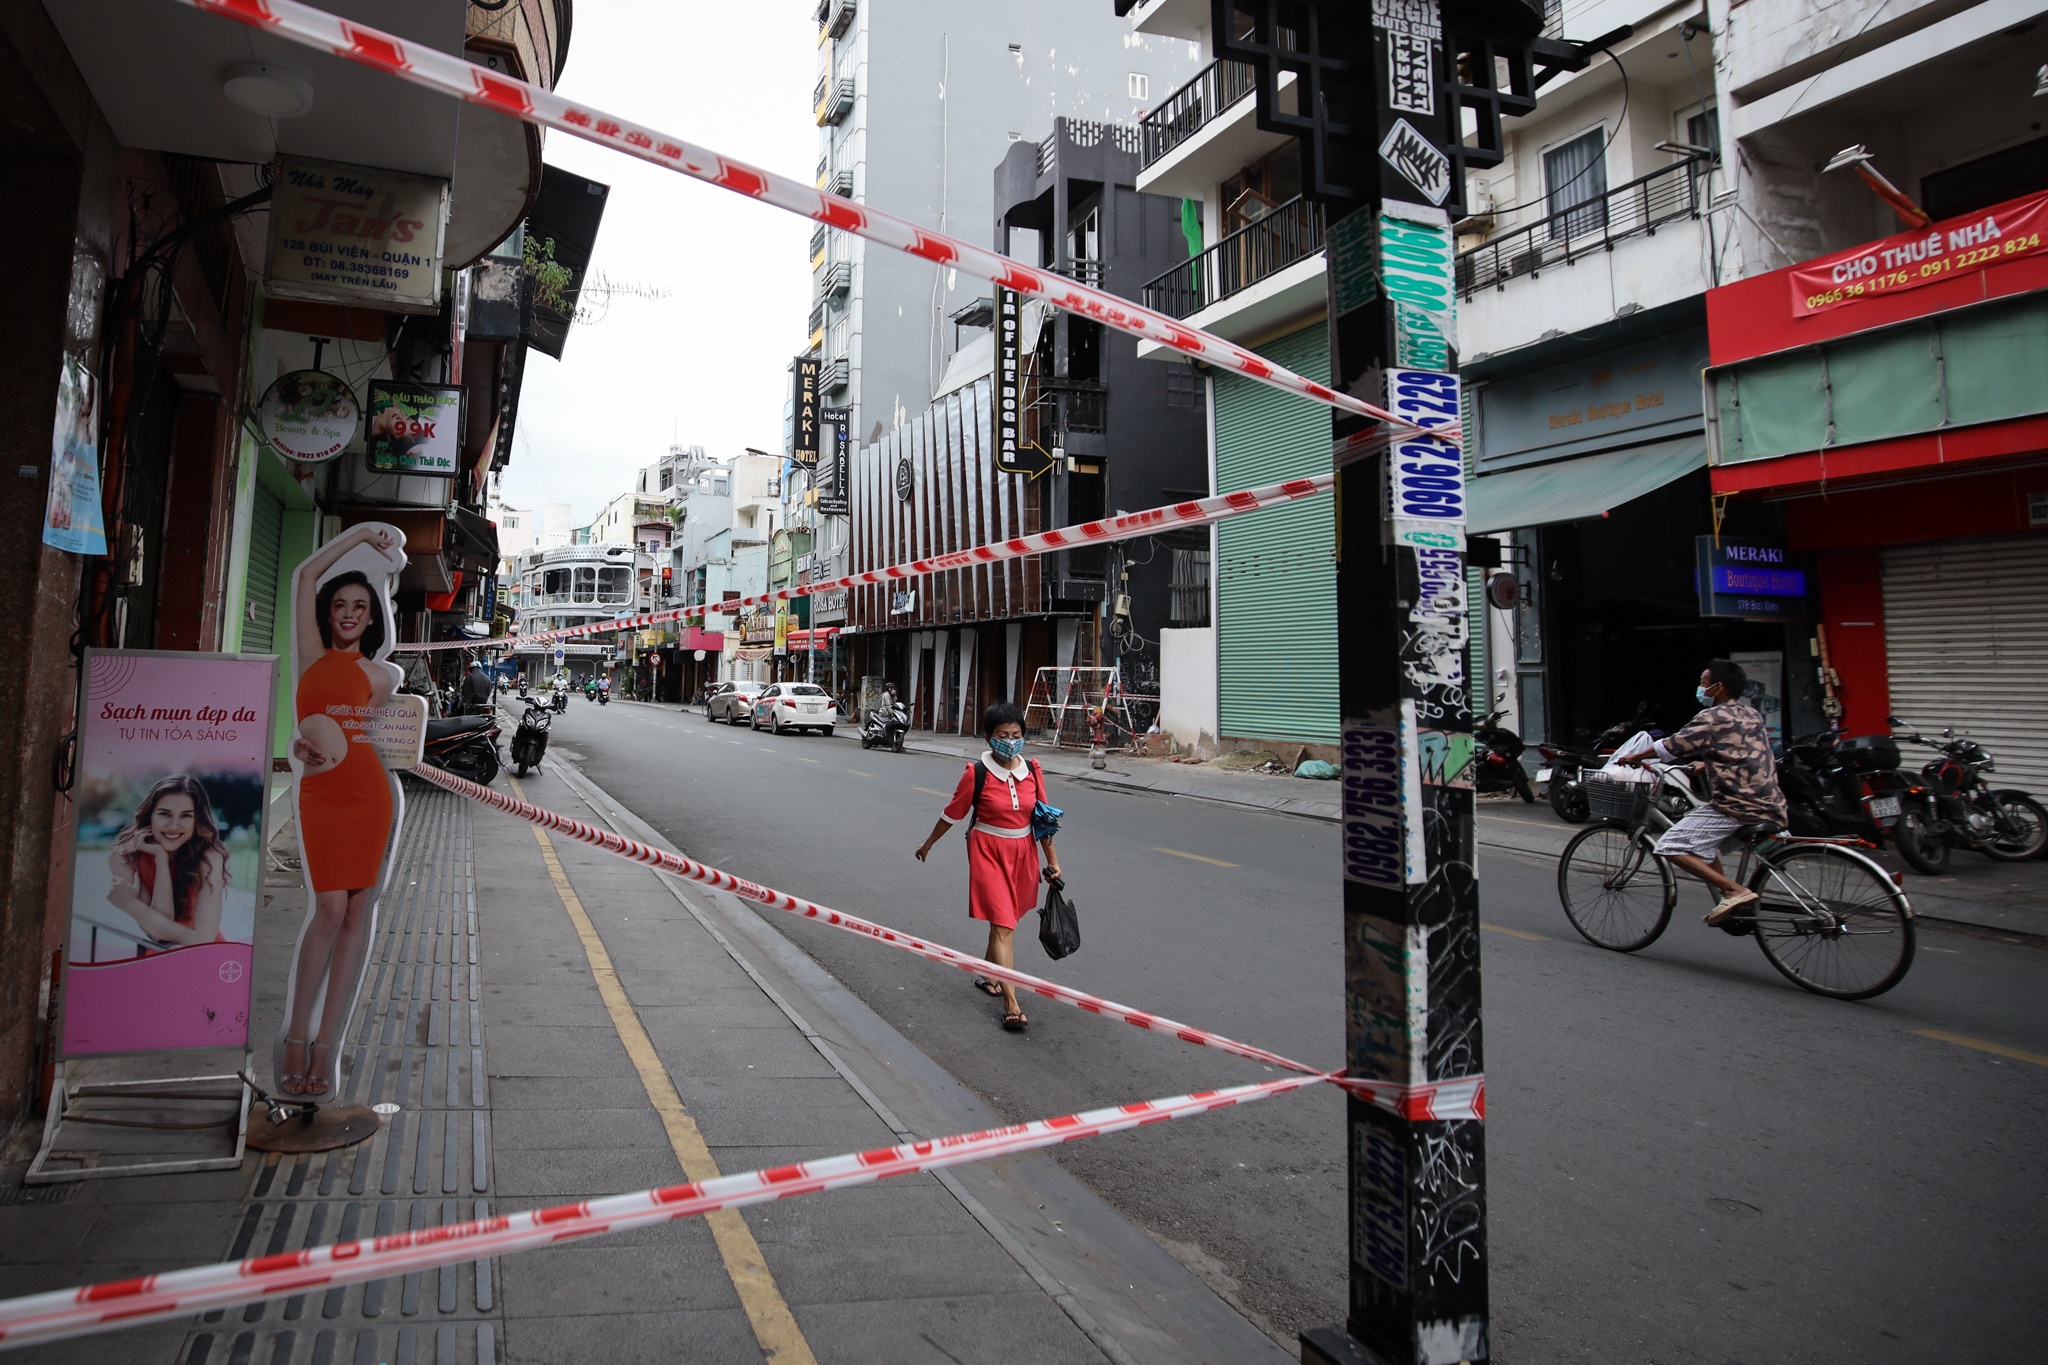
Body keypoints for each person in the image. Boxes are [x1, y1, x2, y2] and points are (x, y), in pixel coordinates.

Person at [284, 526, 405, 1097]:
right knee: (329, 909)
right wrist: (359, 536)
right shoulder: (312, 655)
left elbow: (357, 735)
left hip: (368, 795)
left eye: (360, 605)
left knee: (358, 910)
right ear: (327, 613)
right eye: (340, 605)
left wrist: (314, 742)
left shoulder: (381, 677)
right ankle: (292, 1037)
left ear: (371, 615)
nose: (349, 613)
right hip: (322, 797)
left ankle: (326, 1044)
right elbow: (306, 575)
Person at [914, 702, 1062, 1032]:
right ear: (987, 738)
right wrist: (928, 844)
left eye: (1016, 735)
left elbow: (1043, 820)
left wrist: (1052, 862)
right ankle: (1011, 1003)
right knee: (1003, 925)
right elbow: (952, 813)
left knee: (1005, 921)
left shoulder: (1033, 771)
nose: (1010, 741)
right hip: (987, 850)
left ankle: (987, 973)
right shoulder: (976, 773)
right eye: (1002, 735)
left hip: (1023, 852)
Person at [1617, 658, 1788, 925]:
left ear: (1718, 687)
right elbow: (1739, 751)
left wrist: (1636, 757)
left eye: (1702, 683)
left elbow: (1673, 745)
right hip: (1770, 802)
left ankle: (1734, 890)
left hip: (1736, 805)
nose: (1700, 688)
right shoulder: (1751, 714)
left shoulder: (1711, 717)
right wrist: (1704, 762)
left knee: (1670, 845)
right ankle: (1727, 900)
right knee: (1703, 842)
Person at [105, 774, 229, 953]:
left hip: (206, 958)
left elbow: (204, 940)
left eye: (186, 816)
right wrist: (161, 861)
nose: (173, 825)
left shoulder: (208, 858)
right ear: (150, 817)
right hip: (161, 956)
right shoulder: (126, 859)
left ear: (196, 821)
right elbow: (156, 934)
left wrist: (128, 904)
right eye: (164, 814)